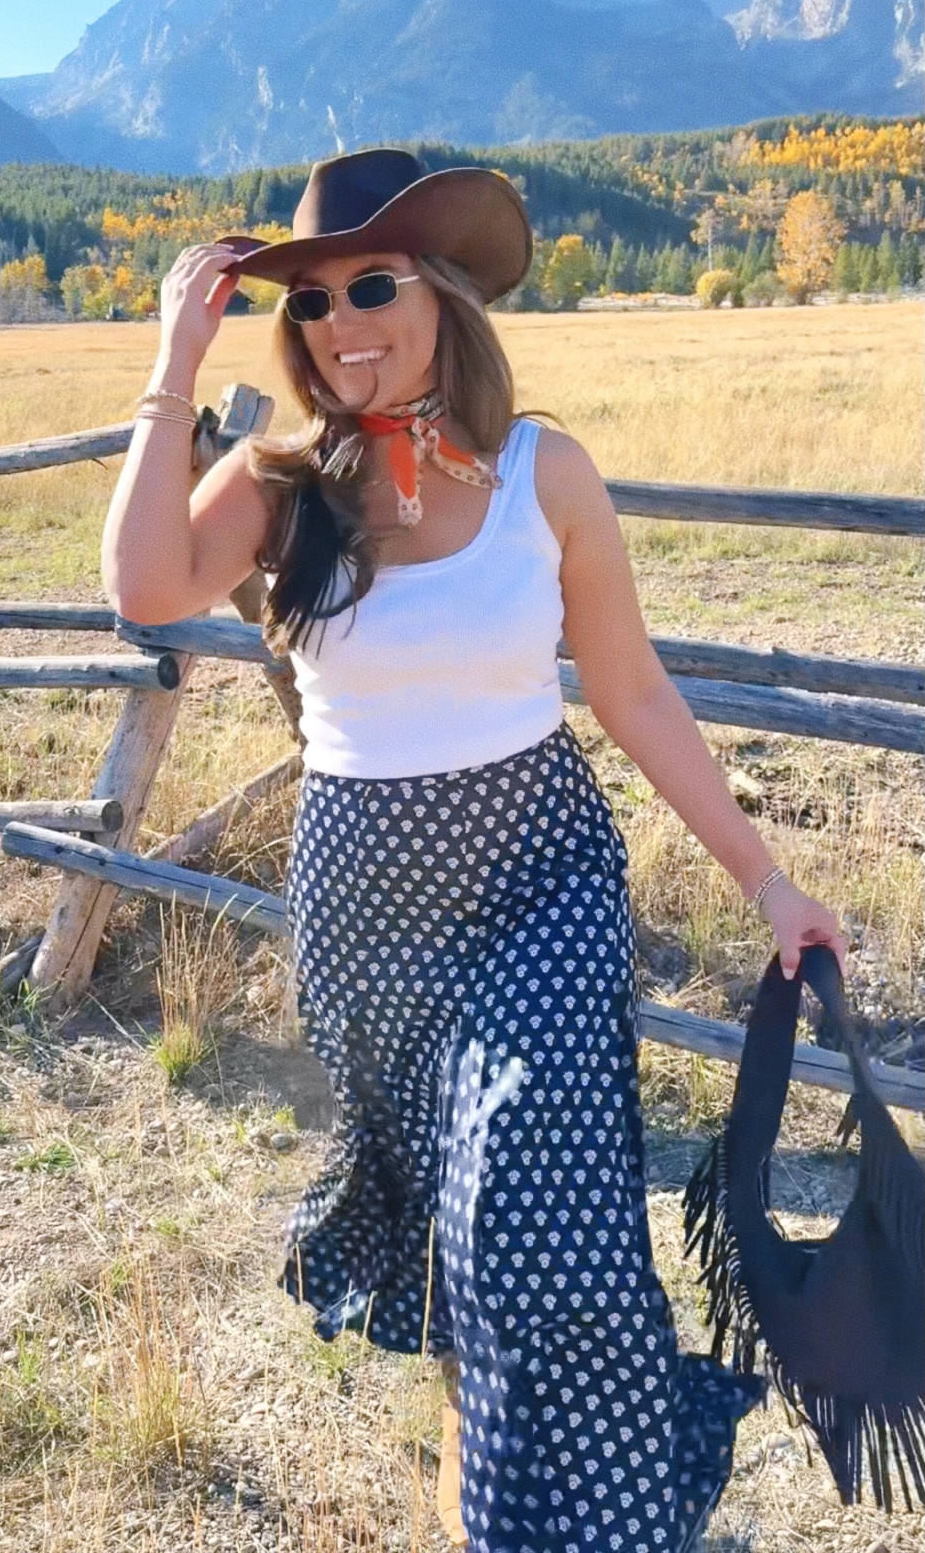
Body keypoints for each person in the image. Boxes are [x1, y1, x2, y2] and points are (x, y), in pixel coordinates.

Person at [101, 149, 847, 1553]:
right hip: (366, 922)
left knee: (522, 1220)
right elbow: (144, 586)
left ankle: (583, 1516)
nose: (342, 323)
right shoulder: (282, 486)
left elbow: (632, 693)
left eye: (373, 286)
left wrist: (770, 881)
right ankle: (505, 1506)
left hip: (535, 886)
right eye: (312, 301)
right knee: (465, 1255)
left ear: (442, 293)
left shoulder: (541, 476)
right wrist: (172, 366)